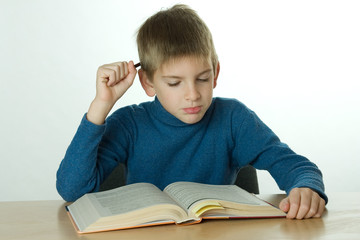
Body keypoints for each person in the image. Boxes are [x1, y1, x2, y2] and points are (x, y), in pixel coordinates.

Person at [56, 4, 327, 219]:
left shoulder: (233, 118)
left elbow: (296, 165)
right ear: (148, 82)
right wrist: (100, 106)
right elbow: (72, 190)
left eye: (202, 78)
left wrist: (306, 187)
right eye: (174, 83)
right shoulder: (130, 124)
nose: (192, 94)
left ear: (216, 73)